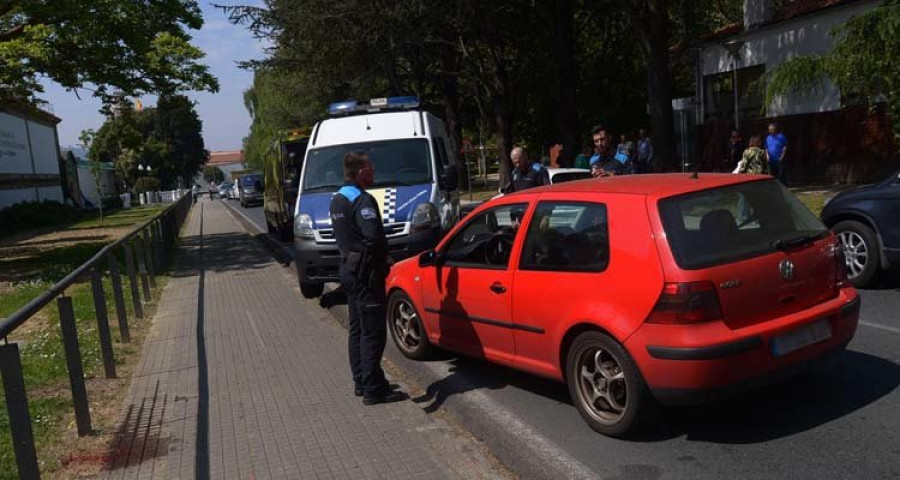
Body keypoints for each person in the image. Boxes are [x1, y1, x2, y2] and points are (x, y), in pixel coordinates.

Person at [330, 151, 404, 405]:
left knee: (357, 329)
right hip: (365, 272)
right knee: (373, 332)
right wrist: (384, 260)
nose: (374, 172)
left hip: (348, 270)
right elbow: (372, 237)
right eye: (371, 168)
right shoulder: (362, 200)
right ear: (361, 171)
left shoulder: (337, 199)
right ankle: (373, 388)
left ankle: (362, 380)